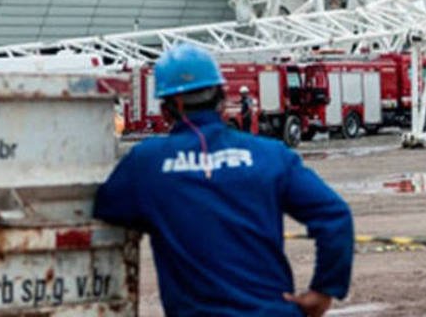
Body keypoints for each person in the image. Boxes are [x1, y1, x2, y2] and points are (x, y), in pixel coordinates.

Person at [94, 43, 354, 316]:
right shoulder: (271, 155)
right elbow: (334, 215)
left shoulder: (146, 163)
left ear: (165, 108)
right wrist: (324, 291)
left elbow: (105, 210)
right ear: (223, 96)